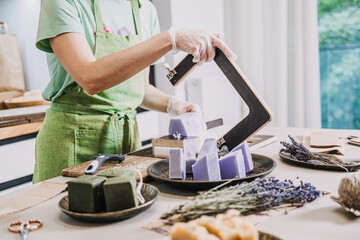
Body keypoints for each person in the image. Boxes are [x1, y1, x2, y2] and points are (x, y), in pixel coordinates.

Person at [33, 0, 236, 183]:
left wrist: (174, 105)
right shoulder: (63, 2)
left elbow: (140, 88)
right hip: (73, 142)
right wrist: (170, 39)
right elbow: (90, 78)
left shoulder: (144, 9)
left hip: (126, 142)